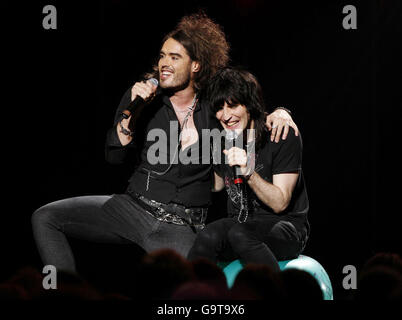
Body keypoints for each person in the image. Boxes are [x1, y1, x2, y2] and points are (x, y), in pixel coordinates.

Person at [31, 12, 298, 275]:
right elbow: (114, 157)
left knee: (195, 291)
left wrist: (281, 112)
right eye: (161, 56)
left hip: (182, 224)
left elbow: (244, 109)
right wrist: (132, 113)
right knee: (46, 217)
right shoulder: (145, 101)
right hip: (132, 209)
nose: (164, 63)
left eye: (174, 57)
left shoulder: (213, 108)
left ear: (196, 65)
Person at [187, 67, 310, 273]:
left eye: (233, 105)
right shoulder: (222, 139)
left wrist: (249, 172)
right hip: (240, 222)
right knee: (208, 235)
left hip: (285, 227)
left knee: (240, 234)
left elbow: (280, 203)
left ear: (250, 104)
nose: (225, 116)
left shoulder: (280, 134)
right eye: (219, 108)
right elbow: (216, 185)